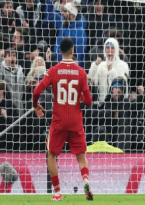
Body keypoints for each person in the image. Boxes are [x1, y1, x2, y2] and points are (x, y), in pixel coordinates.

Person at [32, 38, 93, 201]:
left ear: (60, 51)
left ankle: (58, 192)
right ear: (73, 51)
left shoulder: (53, 71)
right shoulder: (81, 72)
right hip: (75, 120)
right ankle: (86, 181)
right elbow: (88, 102)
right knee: (81, 155)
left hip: (59, 120)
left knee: (51, 154)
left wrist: (36, 105)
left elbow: (36, 91)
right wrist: (79, 94)